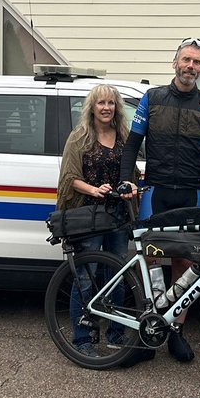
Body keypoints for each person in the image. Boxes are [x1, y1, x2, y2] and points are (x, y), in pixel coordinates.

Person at [119, 38, 200, 363]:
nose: (190, 66)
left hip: (193, 193)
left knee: (185, 264)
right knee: (150, 261)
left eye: (196, 62)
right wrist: (126, 178)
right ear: (175, 63)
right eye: (186, 60)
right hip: (156, 191)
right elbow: (132, 144)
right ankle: (149, 333)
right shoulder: (152, 98)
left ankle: (175, 332)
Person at [56, 84, 137, 357]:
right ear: (92, 107)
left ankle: (116, 333)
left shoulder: (123, 135)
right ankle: (83, 340)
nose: (106, 107)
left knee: (116, 276)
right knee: (85, 277)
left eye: (111, 103)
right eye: (101, 103)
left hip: (117, 217)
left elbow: (132, 172)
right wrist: (95, 189)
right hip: (88, 217)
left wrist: (131, 185)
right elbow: (69, 179)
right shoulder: (79, 137)